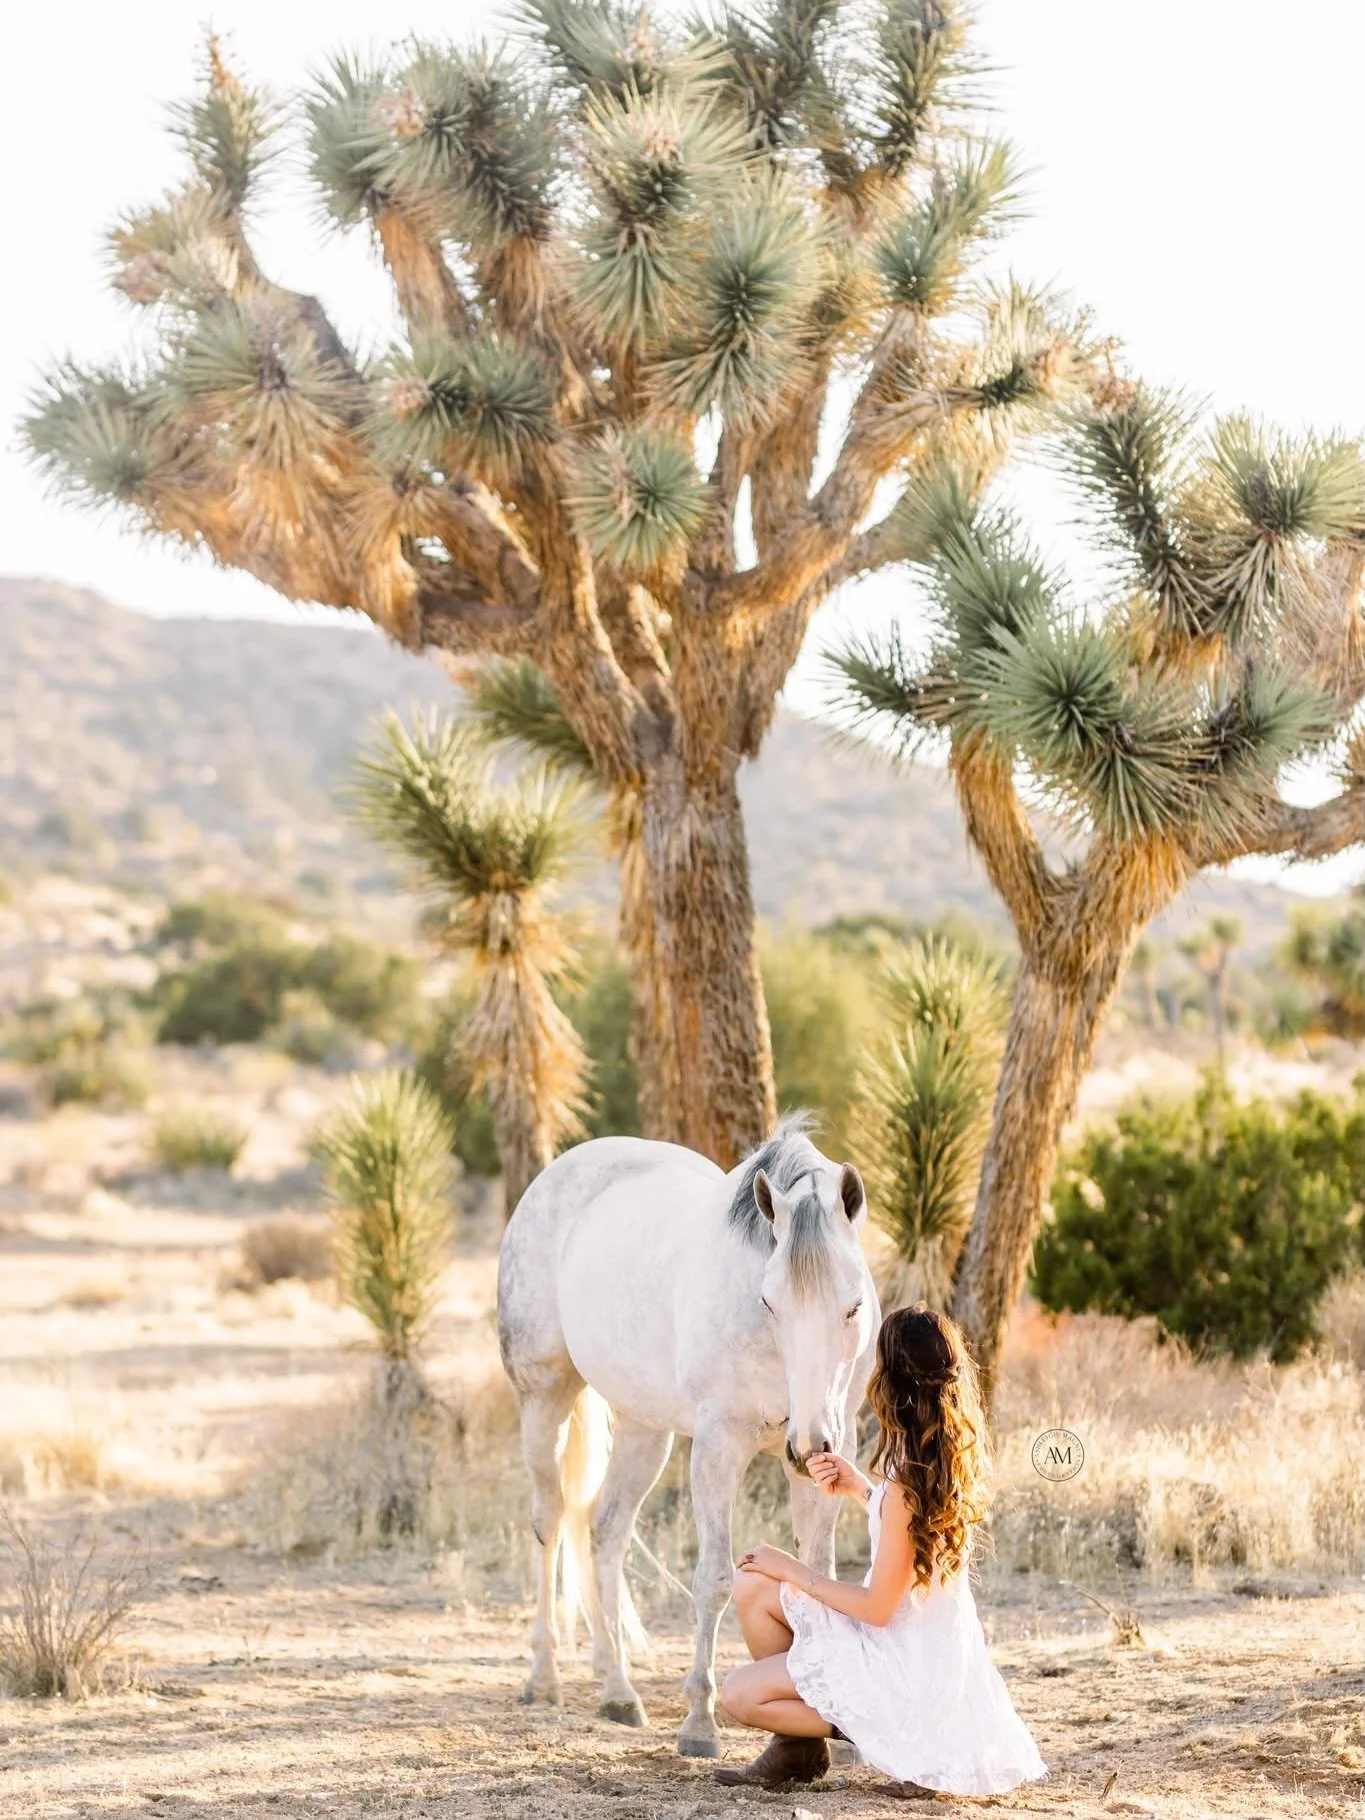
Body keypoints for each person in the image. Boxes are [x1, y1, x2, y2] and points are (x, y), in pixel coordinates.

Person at [714, 1304, 1047, 1798]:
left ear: (891, 1381)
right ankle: (796, 1748)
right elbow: (911, 1540)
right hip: (924, 1652)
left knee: (737, 1695)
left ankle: (870, 1728)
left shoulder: (907, 1484)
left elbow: (877, 1607)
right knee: (753, 1584)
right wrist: (860, 1489)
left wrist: (795, 1569)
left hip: (901, 1667)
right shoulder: (938, 1460)